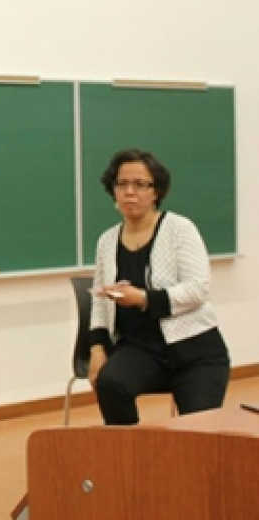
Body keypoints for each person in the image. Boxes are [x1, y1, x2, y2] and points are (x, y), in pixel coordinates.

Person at [88, 148, 230, 425]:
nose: (130, 192)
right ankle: (131, 457)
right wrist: (96, 349)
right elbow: (99, 300)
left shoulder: (180, 229)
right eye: (122, 184)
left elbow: (198, 289)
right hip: (139, 349)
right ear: (113, 190)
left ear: (156, 192)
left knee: (198, 434)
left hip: (196, 351)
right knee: (109, 383)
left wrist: (142, 298)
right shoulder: (106, 241)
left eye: (140, 184)